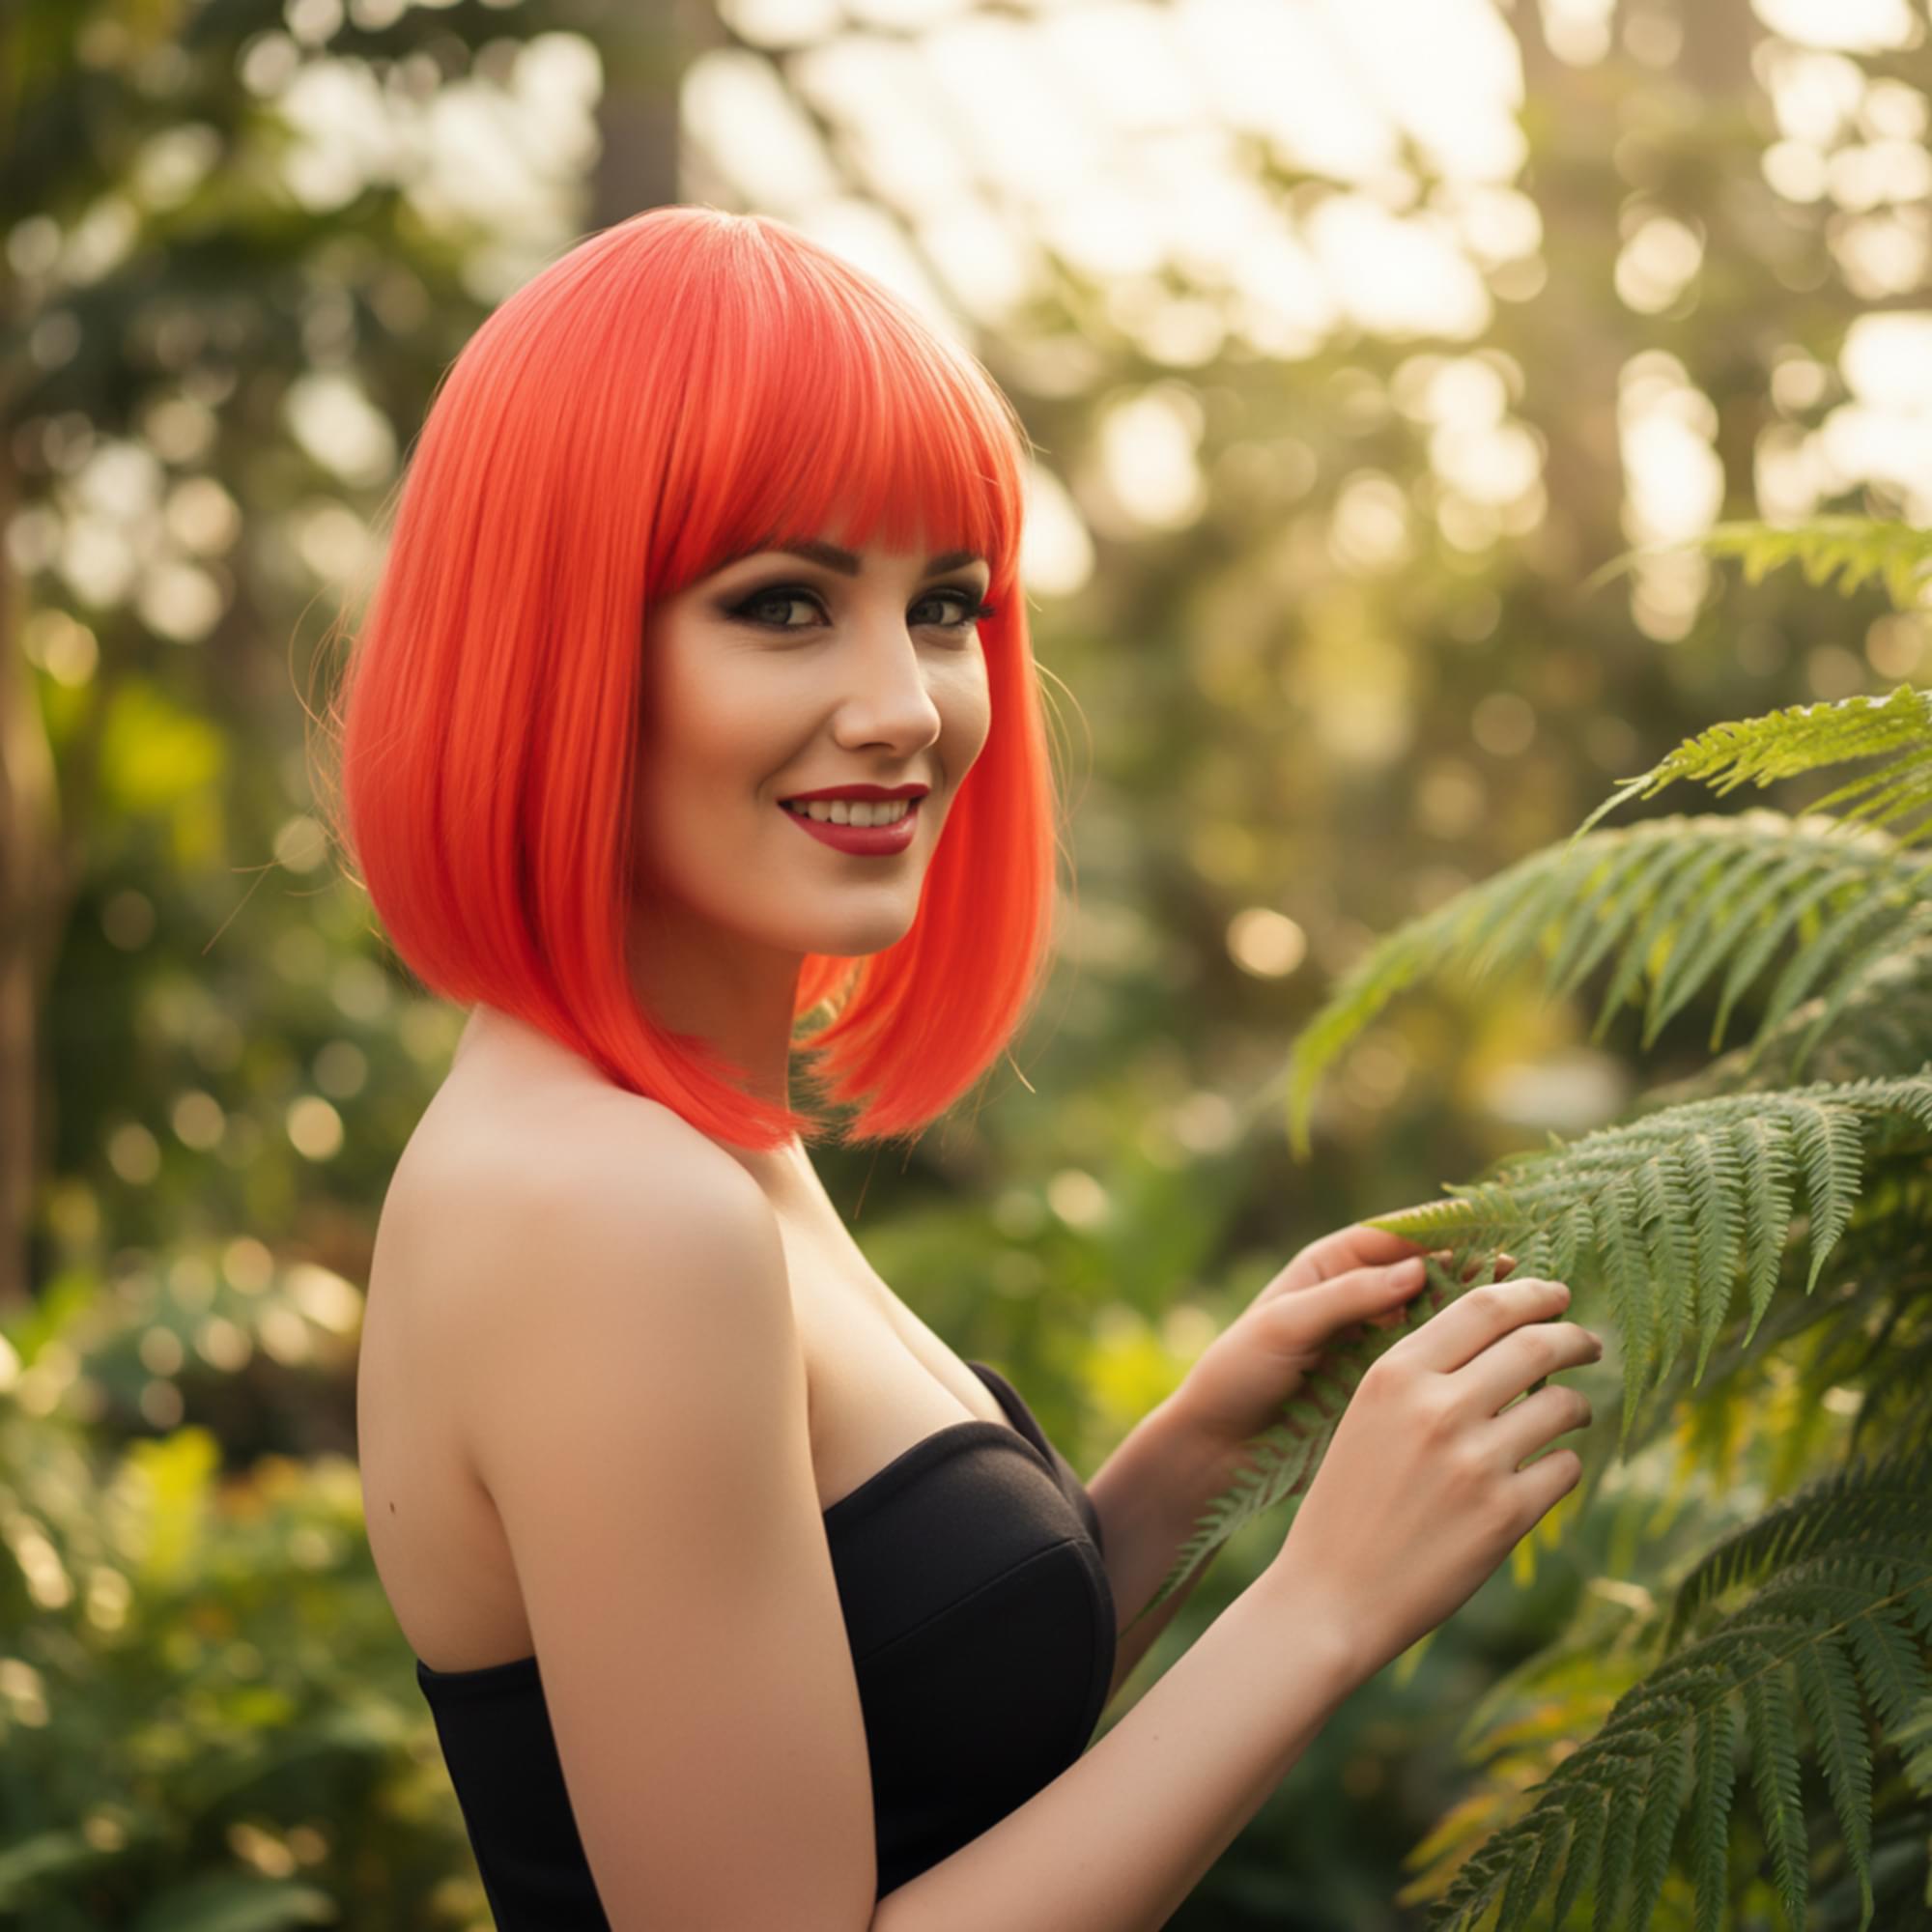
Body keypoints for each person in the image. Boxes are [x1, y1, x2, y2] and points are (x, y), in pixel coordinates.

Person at [326, 205, 1603, 1930]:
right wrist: (1319, 1610)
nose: (908, 703)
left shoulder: (670, 1134)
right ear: (556, 645)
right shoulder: (608, 1212)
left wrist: (1192, 1461)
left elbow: (894, 1739)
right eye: (782, 604)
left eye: (942, 605)